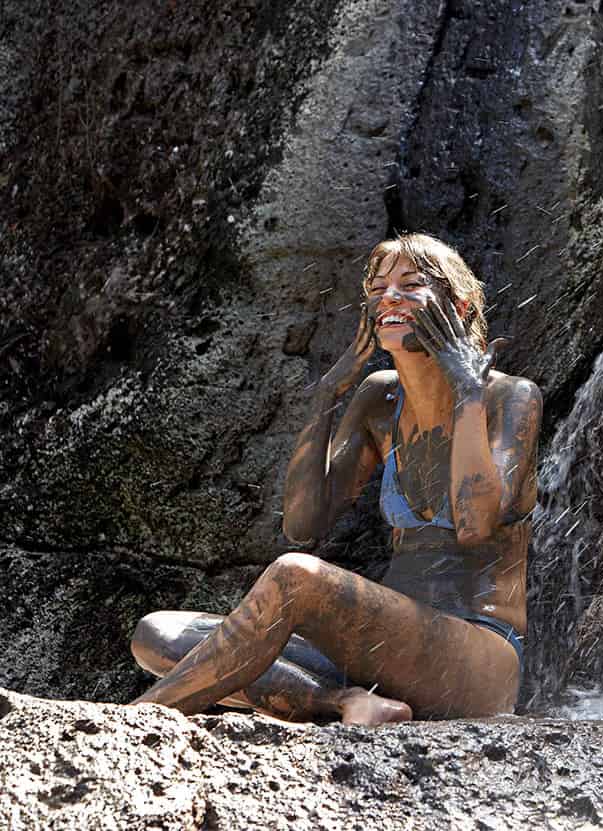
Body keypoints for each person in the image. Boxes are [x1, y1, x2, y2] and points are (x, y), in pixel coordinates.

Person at [129, 233, 542, 725]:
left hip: (475, 658)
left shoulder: (510, 398)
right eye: (378, 286)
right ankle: (344, 702)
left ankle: (134, 721)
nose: (388, 296)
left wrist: (467, 390)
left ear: (459, 305)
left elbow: (474, 525)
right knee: (157, 636)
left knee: (295, 577)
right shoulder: (379, 400)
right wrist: (328, 394)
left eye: (410, 285)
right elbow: (303, 525)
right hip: (381, 651)